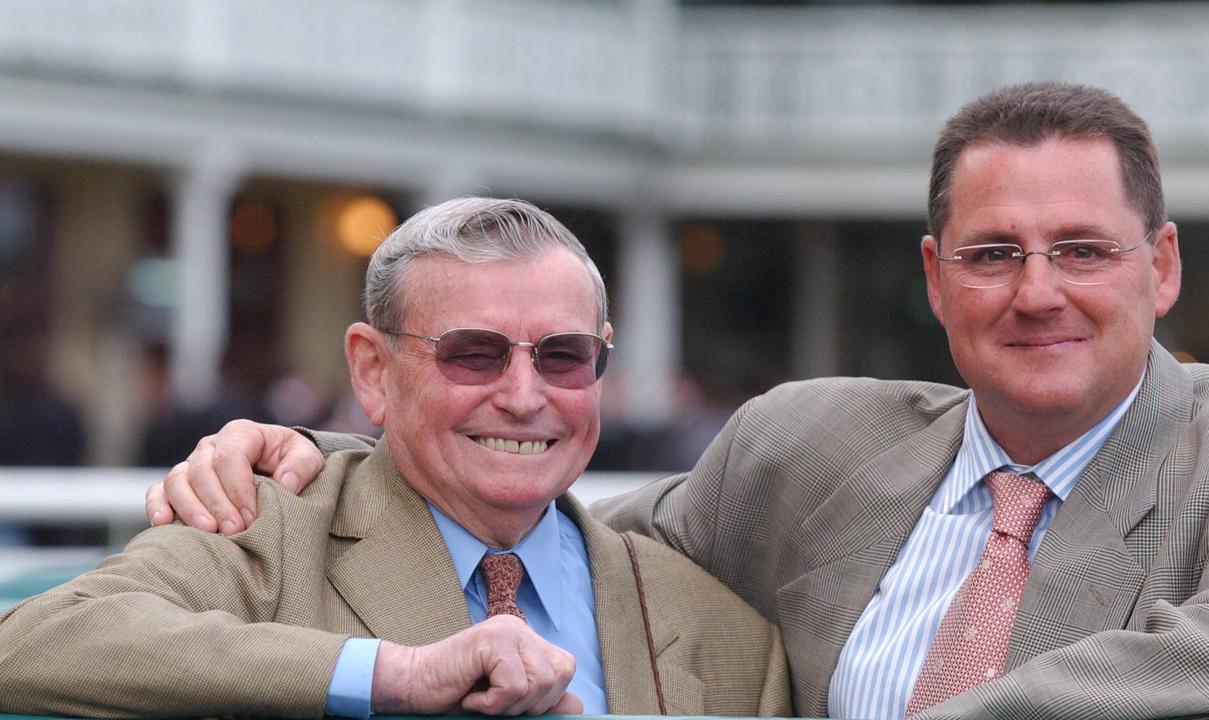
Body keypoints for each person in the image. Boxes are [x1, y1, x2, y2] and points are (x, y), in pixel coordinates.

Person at [149, 82, 1209, 719]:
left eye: (1080, 250)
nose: (1035, 294)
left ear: (1161, 266)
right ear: (935, 279)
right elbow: (537, 532)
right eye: (992, 255)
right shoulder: (810, 444)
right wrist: (325, 449)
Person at [0, 198, 791, 718]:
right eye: (473, 355)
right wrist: (389, 676)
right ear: (372, 372)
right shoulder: (266, 527)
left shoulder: (724, 636)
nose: (523, 396)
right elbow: (30, 644)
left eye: (563, 356)